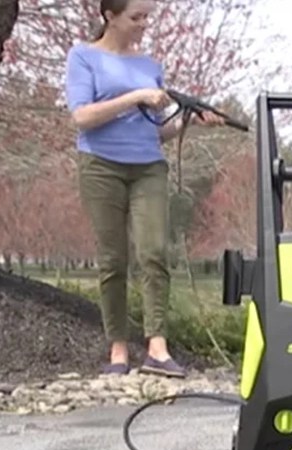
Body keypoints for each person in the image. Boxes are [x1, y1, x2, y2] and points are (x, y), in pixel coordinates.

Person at [64, 0, 222, 377]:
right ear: (110, 16)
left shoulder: (149, 66)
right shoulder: (83, 57)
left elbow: (154, 132)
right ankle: (118, 350)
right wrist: (135, 96)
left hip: (148, 166)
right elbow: (82, 117)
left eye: (147, 17)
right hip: (101, 166)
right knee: (113, 259)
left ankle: (157, 347)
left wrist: (191, 123)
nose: (143, 25)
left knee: (153, 252)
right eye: (136, 17)